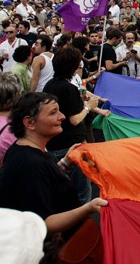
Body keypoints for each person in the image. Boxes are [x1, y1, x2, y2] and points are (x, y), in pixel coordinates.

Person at [0, 92, 107, 235]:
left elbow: (45, 182)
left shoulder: (25, 151)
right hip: (55, 250)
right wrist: (88, 208)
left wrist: (65, 162)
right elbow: (42, 223)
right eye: (53, 113)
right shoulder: (30, 164)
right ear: (30, 123)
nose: (62, 116)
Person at [43, 47, 108, 206]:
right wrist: (89, 107)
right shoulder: (68, 88)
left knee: (60, 191)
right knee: (82, 193)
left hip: (54, 143)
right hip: (72, 146)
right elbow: (75, 119)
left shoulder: (49, 85)